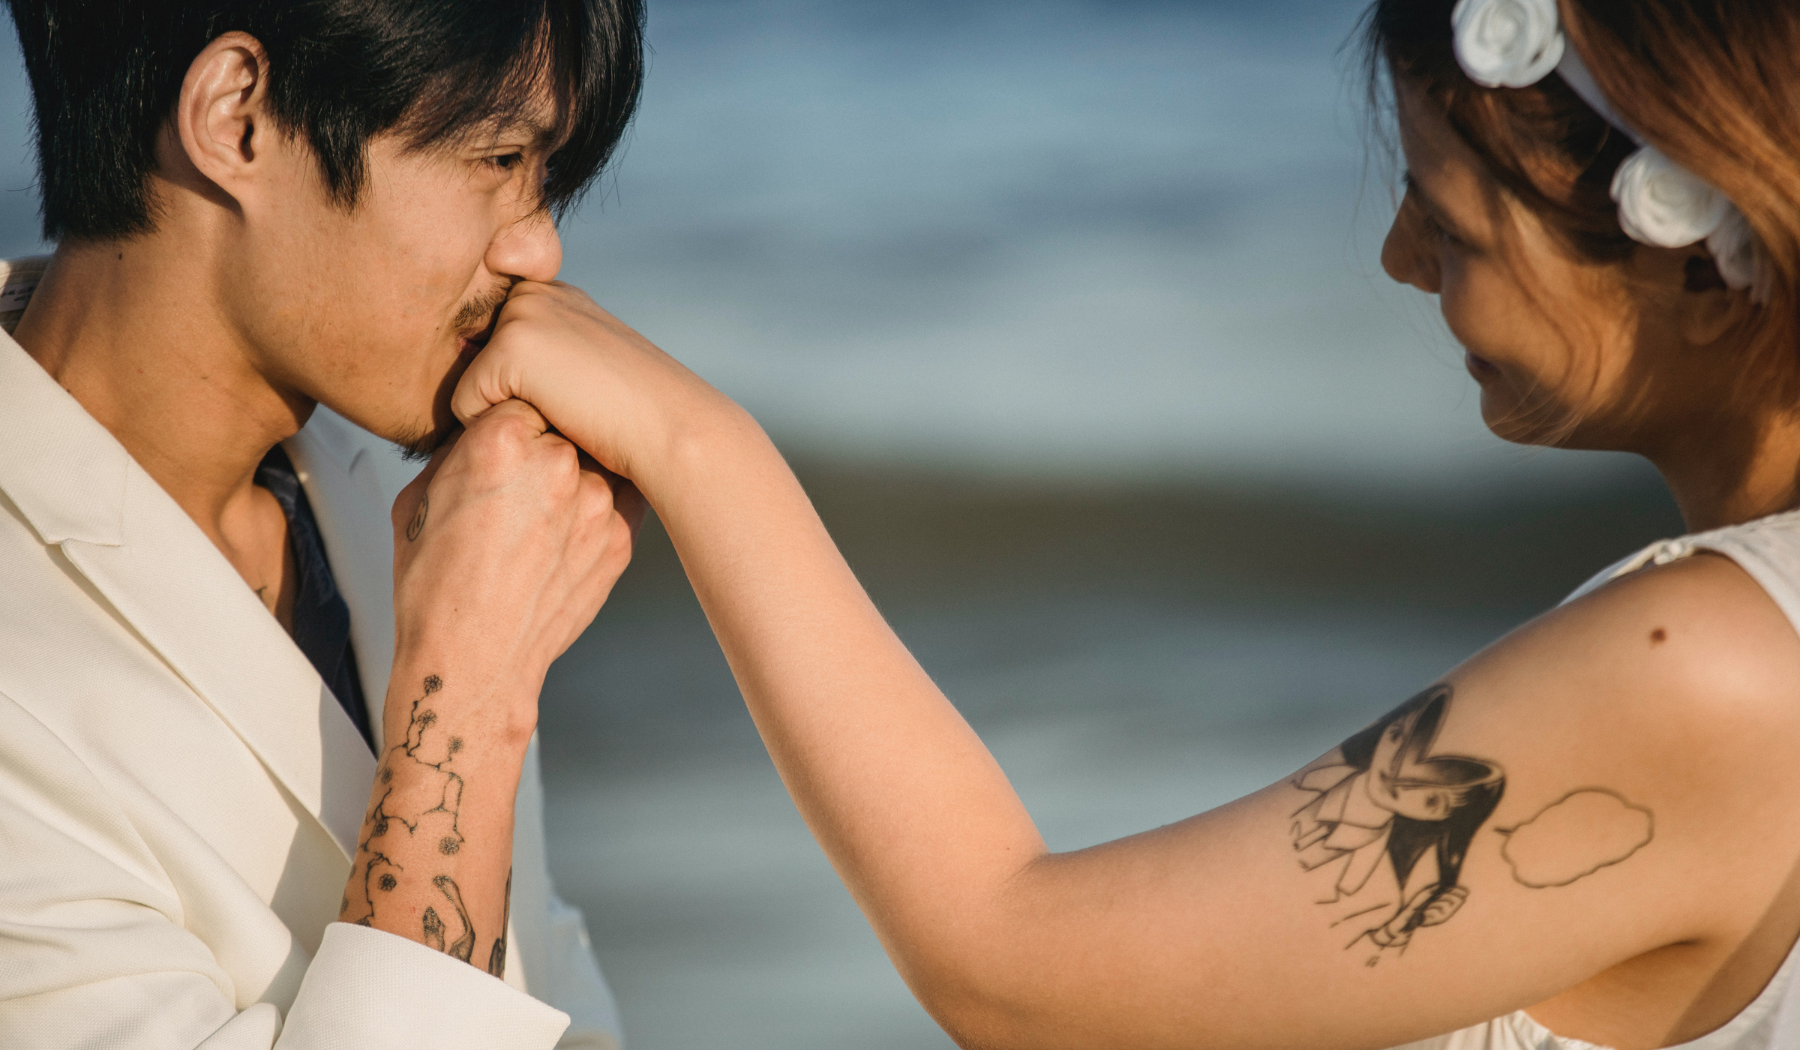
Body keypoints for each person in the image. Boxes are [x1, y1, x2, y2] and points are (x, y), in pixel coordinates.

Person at [440, 0, 1800, 1047]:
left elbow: (1009, 970)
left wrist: (695, 442)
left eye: (1452, 221)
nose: (1399, 258)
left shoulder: (1712, 669)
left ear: (1693, 259)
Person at [0, 1, 645, 1047]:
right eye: (496, 158)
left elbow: (550, 982)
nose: (538, 248)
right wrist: (466, 708)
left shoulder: (399, 502)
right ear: (238, 117)